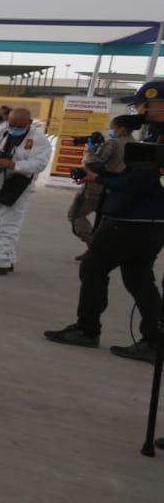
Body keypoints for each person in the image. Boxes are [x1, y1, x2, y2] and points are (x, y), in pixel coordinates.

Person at [46, 80, 164, 361]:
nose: (137, 110)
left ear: (157, 105)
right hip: (145, 222)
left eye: (140, 104)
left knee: (93, 269)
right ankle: (153, 340)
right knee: (138, 279)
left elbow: (138, 182)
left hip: (131, 222)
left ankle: (87, 329)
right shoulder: (152, 138)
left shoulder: (159, 141)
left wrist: (99, 177)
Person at [0, 107, 52, 276]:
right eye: (12, 125)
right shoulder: (0, 131)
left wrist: (14, 165)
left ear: (30, 123)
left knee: (8, 225)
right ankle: (6, 258)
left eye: (19, 126)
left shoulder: (39, 140)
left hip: (19, 186)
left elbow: (39, 164)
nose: (14, 129)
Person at [69, 115, 139, 245]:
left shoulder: (113, 143)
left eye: (113, 127)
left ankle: (93, 246)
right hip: (116, 186)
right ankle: (97, 248)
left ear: (121, 127)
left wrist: (90, 150)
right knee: (102, 220)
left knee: (76, 215)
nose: (111, 129)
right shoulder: (134, 142)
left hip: (98, 186)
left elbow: (95, 164)